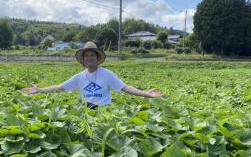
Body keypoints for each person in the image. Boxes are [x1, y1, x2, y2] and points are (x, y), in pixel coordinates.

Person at [21, 41, 163, 109]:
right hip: (86, 110)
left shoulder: (107, 74)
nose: (89, 57)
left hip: (104, 110)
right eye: (86, 55)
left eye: (92, 55)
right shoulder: (79, 77)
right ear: (83, 60)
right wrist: (40, 90)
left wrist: (146, 94)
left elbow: (126, 88)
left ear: (97, 58)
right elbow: (59, 88)